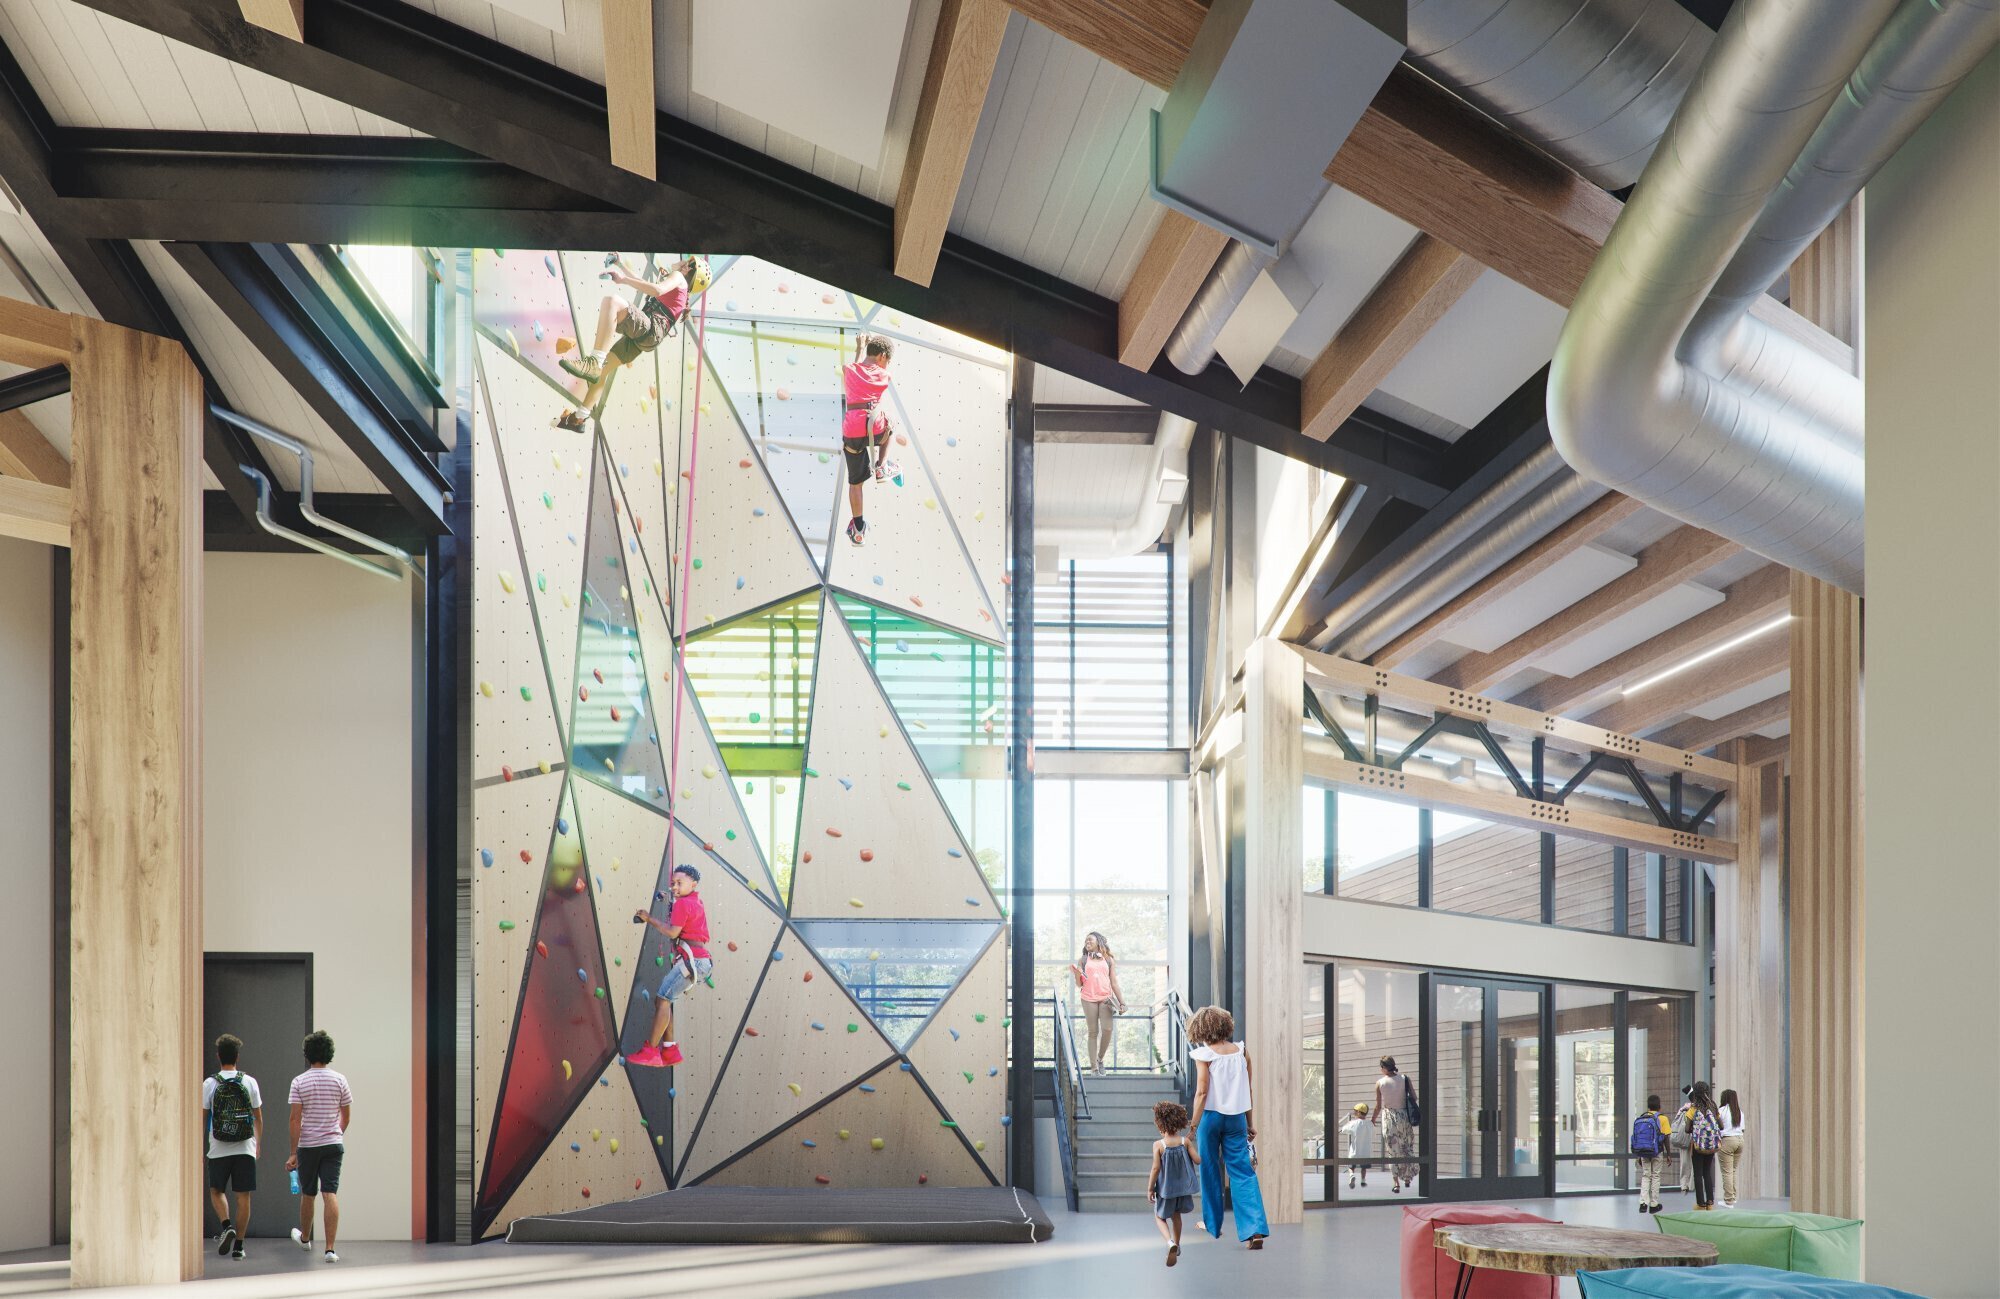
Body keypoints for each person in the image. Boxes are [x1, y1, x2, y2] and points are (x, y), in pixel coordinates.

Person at [554, 254, 711, 431]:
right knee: (603, 371)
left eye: (686, 261)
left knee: (612, 302)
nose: (682, 262)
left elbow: (656, 290)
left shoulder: (678, 277)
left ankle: (594, 362)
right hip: (649, 339)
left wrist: (624, 280)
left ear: (688, 268)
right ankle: (579, 418)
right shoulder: (680, 287)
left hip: (651, 326)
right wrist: (621, 267)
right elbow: (648, 286)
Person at [1187, 1005, 1269, 1250]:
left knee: (1210, 1170)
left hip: (1211, 1118)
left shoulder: (1204, 1055)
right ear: (1224, 1025)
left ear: (1201, 1029)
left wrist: (1193, 1126)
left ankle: (1212, 1224)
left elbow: (1202, 1092)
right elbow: (1248, 1090)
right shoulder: (1242, 1051)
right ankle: (1254, 1229)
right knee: (1243, 1172)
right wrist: (1250, 1123)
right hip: (1236, 1119)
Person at [626, 864, 711, 1067]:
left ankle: (651, 1051)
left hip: (693, 961)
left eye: (680, 883)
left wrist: (648, 919)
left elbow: (673, 932)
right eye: (673, 883)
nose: (675, 886)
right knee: (664, 1000)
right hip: (699, 961)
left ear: (694, 883)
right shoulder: (695, 901)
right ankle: (670, 1049)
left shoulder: (683, 904)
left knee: (663, 1000)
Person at [286, 1030, 352, 1263]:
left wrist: (293, 1152)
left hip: (308, 1145)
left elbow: (295, 1119)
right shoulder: (340, 1080)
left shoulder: (299, 1081)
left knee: (308, 1193)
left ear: (307, 1053)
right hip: (333, 1144)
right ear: (329, 1053)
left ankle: (305, 1239)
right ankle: (330, 1250)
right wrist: (335, 1133)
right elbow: (346, 1115)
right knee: (330, 1192)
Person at [202, 1033, 262, 1261]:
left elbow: (204, 1118)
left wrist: (201, 1147)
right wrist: (257, 1144)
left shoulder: (210, 1083)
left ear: (218, 1056)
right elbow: (258, 1117)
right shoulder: (249, 1082)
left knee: (216, 1191)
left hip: (218, 1147)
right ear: (237, 1056)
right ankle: (239, 1246)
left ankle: (227, 1225)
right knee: (243, 1196)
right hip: (245, 1146)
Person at [840, 334, 898, 546]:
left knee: (856, 484)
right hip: (875, 426)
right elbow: (877, 373)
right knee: (891, 425)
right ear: (882, 356)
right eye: (888, 360)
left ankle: (858, 529)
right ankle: (882, 466)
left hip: (853, 431)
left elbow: (853, 367)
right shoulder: (884, 375)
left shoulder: (850, 369)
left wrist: (859, 348)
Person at [1147, 1100, 1200, 1266]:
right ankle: (1177, 1245)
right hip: (1183, 1189)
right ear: (1179, 1122)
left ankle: (1170, 1242)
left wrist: (1150, 1189)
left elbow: (1155, 1169)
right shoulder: (1185, 1142)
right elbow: (1198, 1160)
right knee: (1176, 1216)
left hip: (1165, 1190)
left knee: (1159, 1216)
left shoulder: (1159, 1145)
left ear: (1159, 1123)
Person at [1067, 932, 1125, 1076]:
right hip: (1088, 998)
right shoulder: (1083, 960)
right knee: (1093, 1032)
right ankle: (1093, 1068)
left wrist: (1122, 1002)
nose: (1087, 941)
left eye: (1090, 939)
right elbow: (1079, 984)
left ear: (1098, 942)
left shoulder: (1109, 960)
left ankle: (1100, 1059)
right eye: (1086, 939)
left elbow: (1114, 983)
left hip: (1106, 998)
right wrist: (1077, 974)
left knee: (1108, 1029)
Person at [1375, 1056, 1417, 1193]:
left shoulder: (1380, 1083)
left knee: (1392, 1150)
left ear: (1385, 1068)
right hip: (1404, 1116)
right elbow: (1414, 1097)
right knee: (1406, 1147)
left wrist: (1372, 1119)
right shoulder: (1405, 1078)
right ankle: (1407, 1178)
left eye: (1381, 1067)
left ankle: (1396, 1183)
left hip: (1389, 1118)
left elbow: (1378, 1106)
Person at [1684, 1080, 1723, 1210]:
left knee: (1698, 1174)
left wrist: (1695, 1129)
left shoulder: (1693, 1108)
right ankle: (1710, 1202)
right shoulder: (1713, 1106)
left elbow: (1687, 1128)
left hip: (1698, 1146)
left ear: (1695, 1093)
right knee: (1707, 1173)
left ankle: (1701, 1203)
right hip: (1711, 1146)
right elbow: (1721, 1125)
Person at [1632, 1093, 1672, 1214]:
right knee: (1655, 1176)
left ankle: (1643, 1203)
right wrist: (1668, 1154)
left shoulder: (1642, 1118)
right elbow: (1666, 1138)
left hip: (1644, 1152)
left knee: (1645, 1175)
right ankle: (1654, 1204)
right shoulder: (1663, 1118)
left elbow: (1640, 1139)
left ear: (1648, 1106)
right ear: (1659, 1106)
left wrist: (1639, 1155)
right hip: (1657, 1152)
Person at [1717, 1087, 1747, 1209]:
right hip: (1740, 1140)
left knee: (1727, 1172)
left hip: (1727, 1140)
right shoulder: (1739, 1111)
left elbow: (1717, 1127)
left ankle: (1728, 1200)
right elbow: (1743, 1129)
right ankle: (1733, 1197)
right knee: (1733, 1170)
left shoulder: (1721, 1111)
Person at [1339, 1102, 1374, 1189]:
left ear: (1359, 1112)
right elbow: (1374, 1133)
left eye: (1355, 1111)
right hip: (1366, 1152)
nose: (1354, 1113)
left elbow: (1343, 1130)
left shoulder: (1353, 1123)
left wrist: (1346, 1125)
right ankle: (1363, 1180)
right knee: (1364, 1167)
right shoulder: (1370, 1124)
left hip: (1354, 1151)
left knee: (1351, 1166)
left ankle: (1351, 1175)